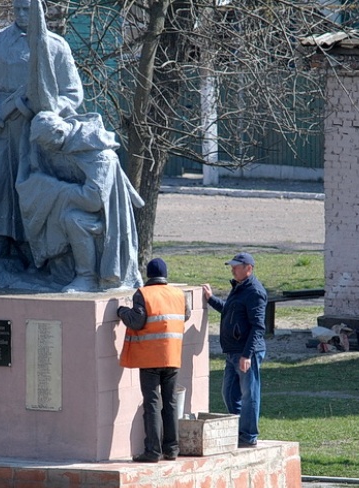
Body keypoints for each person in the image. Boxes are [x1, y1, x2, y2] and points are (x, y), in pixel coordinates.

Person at [0, 0, 83, 270]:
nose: (21, 14)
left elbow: (73, 93)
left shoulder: (56, 46)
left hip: (36, 131)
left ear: (40, 11)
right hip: (1, 129)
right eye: (17, 9)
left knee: (33, 187)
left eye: (28, 10)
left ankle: (35, 248)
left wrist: (50, 110)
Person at [17, 110, 144, 291]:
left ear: (60, 133)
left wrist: (58, 189)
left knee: (73, 219)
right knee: (49, 203)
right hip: (80, 207)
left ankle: (87, 277)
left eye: (47, 144)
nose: (47, 149)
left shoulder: (100, 156)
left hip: (107, 220)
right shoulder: (62, 146)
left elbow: (94, 199)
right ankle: (51, 267)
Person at [117, 258, 191, 462]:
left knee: (152, 404)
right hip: (172, 357)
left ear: (149, 275)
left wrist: (121, 311)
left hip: (150, 358)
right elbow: (185, 315)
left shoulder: (143, 294)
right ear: (165, 275)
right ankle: (172, 449)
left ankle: (153, 451)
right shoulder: (178, 294)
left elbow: (136, 321)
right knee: (170, 403)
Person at [201, 252, 267, 448]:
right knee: (229, 392)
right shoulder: (238, 288)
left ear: (249, 268)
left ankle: (248, 436)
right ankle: (239, 429)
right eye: (232, 266)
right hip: (232, 352)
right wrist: (211, 298)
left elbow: (258, 327)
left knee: (249, 395)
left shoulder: (254, 291)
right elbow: (229, 310)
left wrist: (247, 355)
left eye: (236, 266)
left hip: (246, 353)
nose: (232, 269)